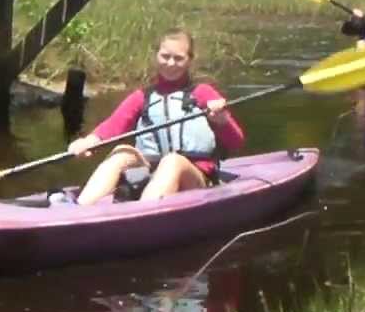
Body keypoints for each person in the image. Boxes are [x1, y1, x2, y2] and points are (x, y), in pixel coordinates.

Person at [65, 29, 244, 205]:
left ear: (189, 60)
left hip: (196, 177)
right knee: (122, 152)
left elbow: (236, 142)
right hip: (152, 174)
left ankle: (142, 214)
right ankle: (80, 208)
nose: (171, 63)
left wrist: (222, 121)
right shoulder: (142, 97)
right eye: (165, 56)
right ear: (156, 56)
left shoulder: (203, 93)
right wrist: (88, 141)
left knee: (172, 161)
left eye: (179, 58)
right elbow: (113, 125)